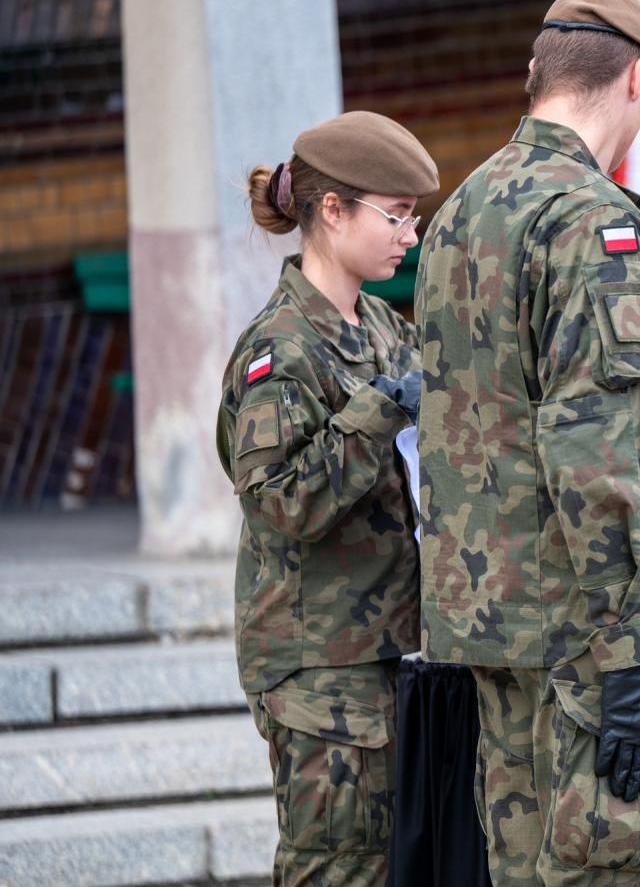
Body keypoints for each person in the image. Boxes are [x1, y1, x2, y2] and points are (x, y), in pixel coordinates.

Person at [413, 0, 640, 887]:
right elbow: (594, 448)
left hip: (498, 622)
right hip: (586, 637)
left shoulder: (463, 207)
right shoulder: (591, 219)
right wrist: (630, 649)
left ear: (540, 77)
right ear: (637, 78)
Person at [216, 110, 439, 886]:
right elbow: (281, 502)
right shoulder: (278, 350)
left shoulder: (381, 325)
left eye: (414, 216)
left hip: (384, 648)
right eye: (395, 214)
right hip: (318, 667)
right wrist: (377, 411)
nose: (408, 235)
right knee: (339, 867)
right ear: (333, 210)